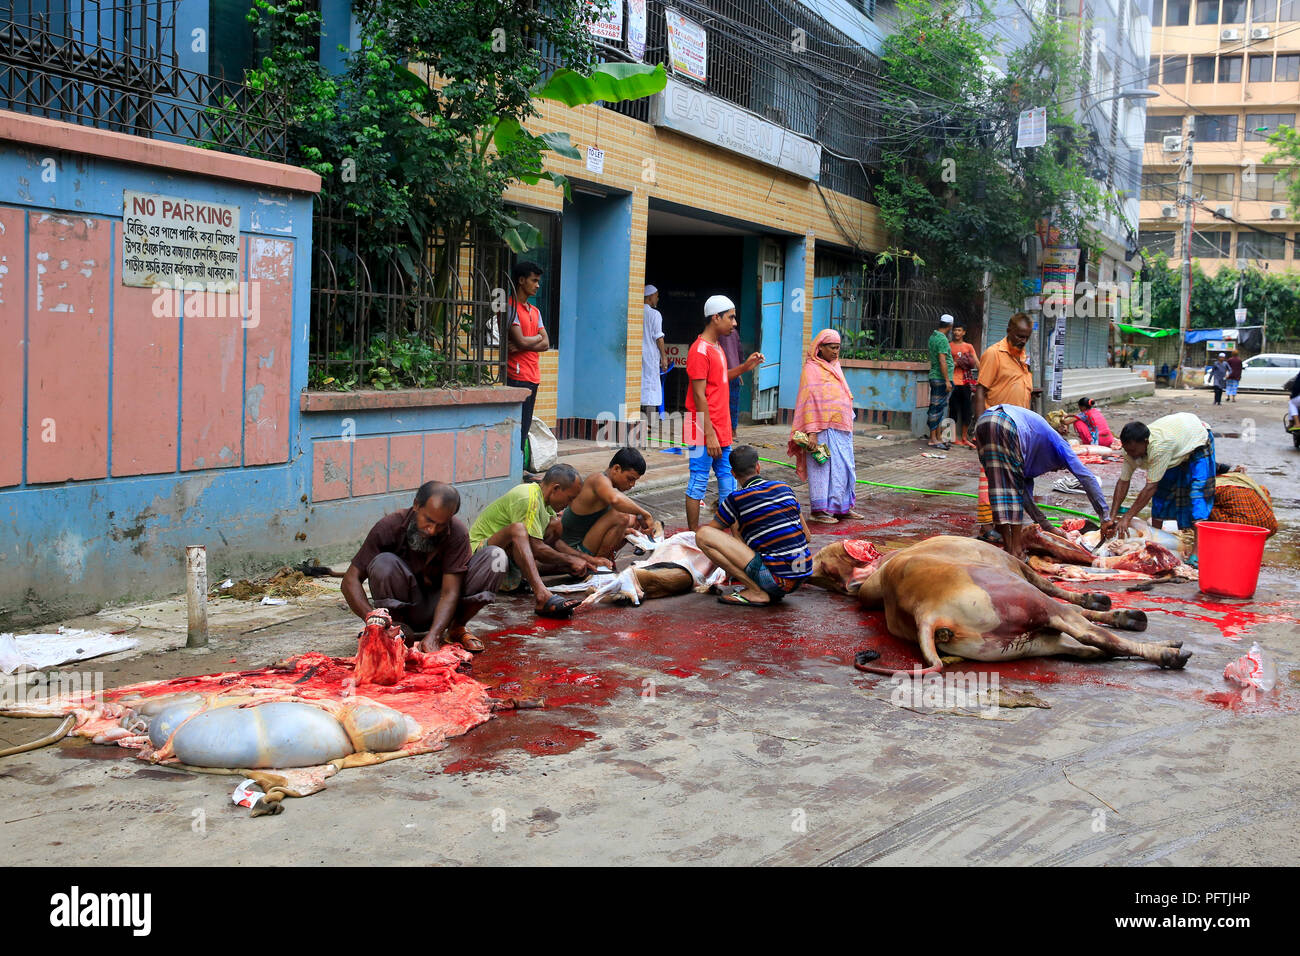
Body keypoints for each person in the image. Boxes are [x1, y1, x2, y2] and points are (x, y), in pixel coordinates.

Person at [342, 481, 506, 653]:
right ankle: (398, 630)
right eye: (428, 520)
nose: (432, 530)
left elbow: (450, 592)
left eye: (441, 524)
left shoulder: (457, 532)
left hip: (444, 608)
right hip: (405, 608)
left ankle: (456, 628)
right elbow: (349, 580)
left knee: (497, 558)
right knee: (383, 563)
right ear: (416, 506)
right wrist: (374, 619)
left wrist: (435, 636)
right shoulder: (389, 526)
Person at [975, 405, 1110, 560]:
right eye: (1056, 468)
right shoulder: (1061, 446)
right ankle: (1015, 550)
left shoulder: (1029, 455)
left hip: (984, 421)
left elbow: (1026, 499)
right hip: (1006, 423)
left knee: (998, 484)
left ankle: (1009, 546)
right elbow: (1087, 478)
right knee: (1009, 490)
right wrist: (1105, 517)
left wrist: (1048, 527)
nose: (1053, 471)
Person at [696, 445, 814, 607]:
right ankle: (761, 587)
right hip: (802, 574)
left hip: (776, 581)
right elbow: (807, 537)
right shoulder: (785, 488)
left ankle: (755, 591)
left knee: (703, 535)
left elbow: (711, 534)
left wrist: (735, 524)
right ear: (758, 467)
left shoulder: (735, 499)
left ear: (733, 474)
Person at [684, 295, 763, 531]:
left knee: (728, 482)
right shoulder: (699, 351)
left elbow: (719, 379)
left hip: (721, 424)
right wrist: (709, 434)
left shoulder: (716, 346)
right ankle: (693, 534)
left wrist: (745, 367)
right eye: (731, 317)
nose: (735, 322)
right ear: (715, 317)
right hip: (702, 426)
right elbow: (699, 396)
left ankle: (728, 532)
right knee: (698, 481)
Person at [469, 464, 589, 618]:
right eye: (570, 498)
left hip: (505, 560)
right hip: (480, 560)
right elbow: (537, 549)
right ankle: (542, 596)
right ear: (556, 489)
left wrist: (582, 560)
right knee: (518, 530)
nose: (570, 504)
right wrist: (569, 559)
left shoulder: (545, 504)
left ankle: (527, 578)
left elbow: (554, 545)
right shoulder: (528, 497)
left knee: (555, 526)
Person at [1103, 413, 1216, 566]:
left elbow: (1150, 487)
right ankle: (1153, 544)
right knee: (1163, 493)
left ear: (1146, 442)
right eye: (1128, 450)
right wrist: (1112, 517)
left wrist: (1127, 517)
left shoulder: (1160, 448)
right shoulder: (1129, 450)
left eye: (1135, 450)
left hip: (1197, 439)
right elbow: (1123, 481)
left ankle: (1197, 553)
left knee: (1197, 495)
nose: (1132, 455)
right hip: (1176, 443)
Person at [787, 328, 863, 524]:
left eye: (838, 348)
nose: (835, 352)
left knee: (845, 467)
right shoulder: (811, 369)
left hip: (841, 428)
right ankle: (819, 511)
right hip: (820, 429)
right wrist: (811, 433)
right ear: (820, 347)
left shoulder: (835, 366)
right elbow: (809, 402)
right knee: (822, 468)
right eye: (832, 348)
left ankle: (842, 508)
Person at [973, 311, 1034, 542]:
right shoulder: (993, 354)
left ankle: (1001, 524)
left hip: (1018, 428)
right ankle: (986, 525)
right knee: (989, 478)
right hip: (994, 424)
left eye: (1026, 337)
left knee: (1010, 480)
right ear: (1008, 331)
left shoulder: (1023, 356)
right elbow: (980, 391)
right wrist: (980, 427)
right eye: (1019, 336)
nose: (1022, 341)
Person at [560, 446, 662, 564]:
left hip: (586, 540)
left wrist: (624, 530)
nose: (632, 484)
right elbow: (615, 500)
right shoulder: (598, 480)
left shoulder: (608, 486)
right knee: (622, 516)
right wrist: (645, 514)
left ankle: (607, 558)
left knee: (633, 519)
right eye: (630, 479)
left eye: (635, 481)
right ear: (616, 468)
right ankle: (597, 566)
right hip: (572, 550)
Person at [506, 260, 549, 455]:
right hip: (516, 374)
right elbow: (521, 341)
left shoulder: (535, 311)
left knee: (525, 425)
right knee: (515, 426)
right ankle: (513, 466)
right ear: (521, 280)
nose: (537, 285)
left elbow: (546, 343)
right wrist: (534, 340)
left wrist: (525, 342)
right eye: (534, 280)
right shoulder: (509, 306)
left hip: (533, 375)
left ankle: (519, 467)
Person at [1209, 464, 1277, 535]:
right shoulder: (1241, 479)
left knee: (1204, 505)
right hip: (1268, 528)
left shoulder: (1214, 486)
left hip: (1238, 529)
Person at [640, 284, 667, 426]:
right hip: (650, 355)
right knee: (650, 388)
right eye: (656, 296)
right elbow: (659, 338)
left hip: (637, 355)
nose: (657, 299)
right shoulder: (654, 314)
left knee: (638, 385)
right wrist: (664, 357)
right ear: (650, 297)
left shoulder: (636, 312)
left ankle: (637, 421)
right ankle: (649, 424)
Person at [948, 323, 978, 446]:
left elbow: (976, 362)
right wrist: (957, 363)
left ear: (964, 332)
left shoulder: (968, 346)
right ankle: (952, 438)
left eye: (959, 330)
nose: (956, 333)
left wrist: (983, 375)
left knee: (967, 411)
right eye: (955, 330)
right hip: (953, 381)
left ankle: (965, 438)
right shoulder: (949, 346)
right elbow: (946, 364)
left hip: (966, 382)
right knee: (953, 410)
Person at [926, 314, 954, 449]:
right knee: (937, 408)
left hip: (935, 375)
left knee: (938, 407)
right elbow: (942, 360)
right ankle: (933, 439)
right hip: (940, 377)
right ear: (950, 326)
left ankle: (936, 438)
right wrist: (947, 380)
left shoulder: (933, 337)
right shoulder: (942, 339)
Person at [719, 321, 743, 436]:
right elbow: (739, 353)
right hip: (733, 372)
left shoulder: (717, 333)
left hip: (723, 373)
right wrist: (739, 371)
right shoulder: (734, 333)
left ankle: (728, 431)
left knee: (723, 404)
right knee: (733, 403)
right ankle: (732, 430)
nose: (734, 323)